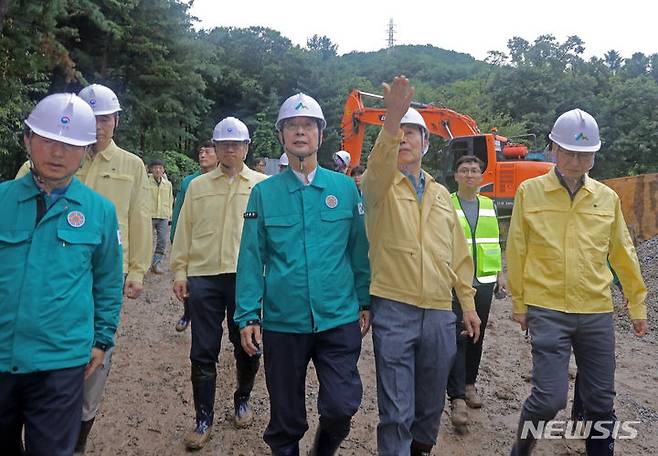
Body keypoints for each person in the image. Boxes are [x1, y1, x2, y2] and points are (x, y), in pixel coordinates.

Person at [236, 92, 371, 456]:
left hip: (338, 317)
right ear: (281, 136)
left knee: (342, 407)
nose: (300, 132)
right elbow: (251, 256)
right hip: (284, 321)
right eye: (292, 126)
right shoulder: (264, 194)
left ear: (320, 135)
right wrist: (248, 313)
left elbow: (359, 248)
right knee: (285, 418)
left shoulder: (344, 189)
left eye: (307, 126)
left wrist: (365, 299)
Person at [507, 108, 648, 456]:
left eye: (584, 153)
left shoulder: (606, 198)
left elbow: (622, 253)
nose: (576, 159)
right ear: (553, 149)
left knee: (601, 401)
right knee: (547, 400)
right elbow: (517, 250)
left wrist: (637, 303)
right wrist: (520, 304)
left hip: (596, 311)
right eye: (569, 151)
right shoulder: (530, 192)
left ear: (594, 156)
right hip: (547, 309)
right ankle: (521, 449)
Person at [361, 76, 480, 456]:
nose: (406, 139)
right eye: (401, 133)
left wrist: (468, 304)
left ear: (427, 144)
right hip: (394, 308)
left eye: (414, 133)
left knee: (430, 405)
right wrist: (392, 119)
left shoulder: (443, 195)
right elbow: (378, 164)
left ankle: (420, 450)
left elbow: (458, 255)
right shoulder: (378, 186)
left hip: (439, 313)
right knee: (396, 409)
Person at [0, 93, 123, 455]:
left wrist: (101, 339)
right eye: (48, 140)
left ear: (86, 150)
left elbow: (107, 282)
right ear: (27, 139)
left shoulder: (100, 211)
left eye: (70, 145)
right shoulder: (2, 199)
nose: (57, 153)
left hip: (61, 362)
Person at [170, 117, 267, 450]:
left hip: (246, 278)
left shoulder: (262, 186)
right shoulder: (197, 186)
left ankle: (242, 398)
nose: (230, 149)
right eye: (224, 143)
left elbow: (272, 238)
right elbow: (183, 231)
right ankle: (203, 418)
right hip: (205, 275)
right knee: (203, 350)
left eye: (237, 143)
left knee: (247, 345)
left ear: (246, 147)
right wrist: (180, 271)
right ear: (215, 146)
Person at [76, 83, 152, 453]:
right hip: (61, 267)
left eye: (103, 118)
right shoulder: (61, 154)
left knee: (97, 348)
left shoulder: (131, 166)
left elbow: (139, 218)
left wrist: (137, 270)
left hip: (107, 271)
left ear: (116, 121)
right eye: (89, 117)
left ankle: (79, 433)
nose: (96, 125)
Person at [446, 154, 505, 429]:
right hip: (455, 281)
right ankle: (456, 396)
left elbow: (494, 240)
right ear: (456, 176)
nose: (470, 174)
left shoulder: (489, 205)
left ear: (481, 177)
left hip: (483, 280)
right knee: (457, 336)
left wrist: (499, 273)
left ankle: (470, 383)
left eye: (474, 170)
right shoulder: (447, 203)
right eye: (464, 170)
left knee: (476, 336)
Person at [170, 140, 218, 332]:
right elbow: (179, 211)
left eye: (208, 151)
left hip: (214, 241)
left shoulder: (224, 179)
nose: (203, 154)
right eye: (201, 151)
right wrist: (175, 237)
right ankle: (187, 314)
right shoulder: (189, 182)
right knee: (190, 283)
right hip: (192, 239)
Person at [147, 159, 173, 274]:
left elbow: (170, 199)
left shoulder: (168, 184)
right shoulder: (145, 182)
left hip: (163, 216)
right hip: (149, 215)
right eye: (155, 168)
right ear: (151, 169)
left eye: (160, 168)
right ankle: (142, 265)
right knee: (146, 241)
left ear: (164, 170)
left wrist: (169, 214)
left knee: (162, 241)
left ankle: (156, 264)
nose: (158, 170)